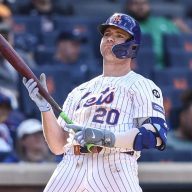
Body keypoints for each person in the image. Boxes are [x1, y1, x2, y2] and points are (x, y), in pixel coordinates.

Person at [23, 13, 168, 192]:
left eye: (119, 35)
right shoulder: (80, 91)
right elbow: (58, 145)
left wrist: (104, 137)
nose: (110, 39)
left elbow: (154, 136)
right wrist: (44, 108)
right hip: (72, 165)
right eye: (107, 34)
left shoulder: (141, 85)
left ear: (133, 47)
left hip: (114, 165)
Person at [124, 0, 191, 68]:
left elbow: (185, 42)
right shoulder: (123, 27)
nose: (141, 7)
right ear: (128, 6)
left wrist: (184, 28)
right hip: (139, 69)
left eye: (144, 3)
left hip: (166, 69)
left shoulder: (163, 22)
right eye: (136, 4)